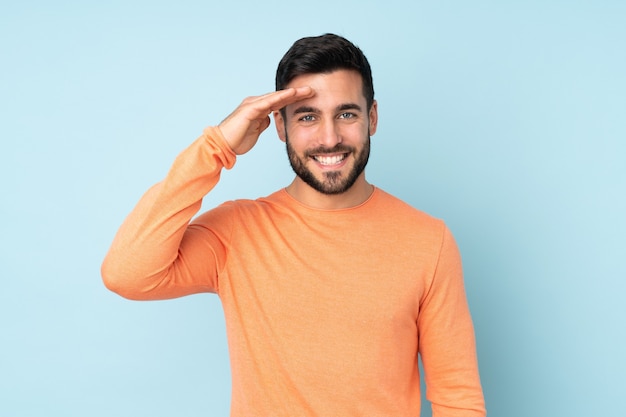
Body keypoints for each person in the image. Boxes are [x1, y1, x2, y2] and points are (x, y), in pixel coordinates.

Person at [102, 33, 486, 416]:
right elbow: (127, 274)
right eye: (307, 117)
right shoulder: (238, 231)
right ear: (281, 127)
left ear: (372, 118)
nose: (330, 137)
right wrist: (217, 146)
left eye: (346, 114)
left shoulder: (428, 240)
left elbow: (458, 398)